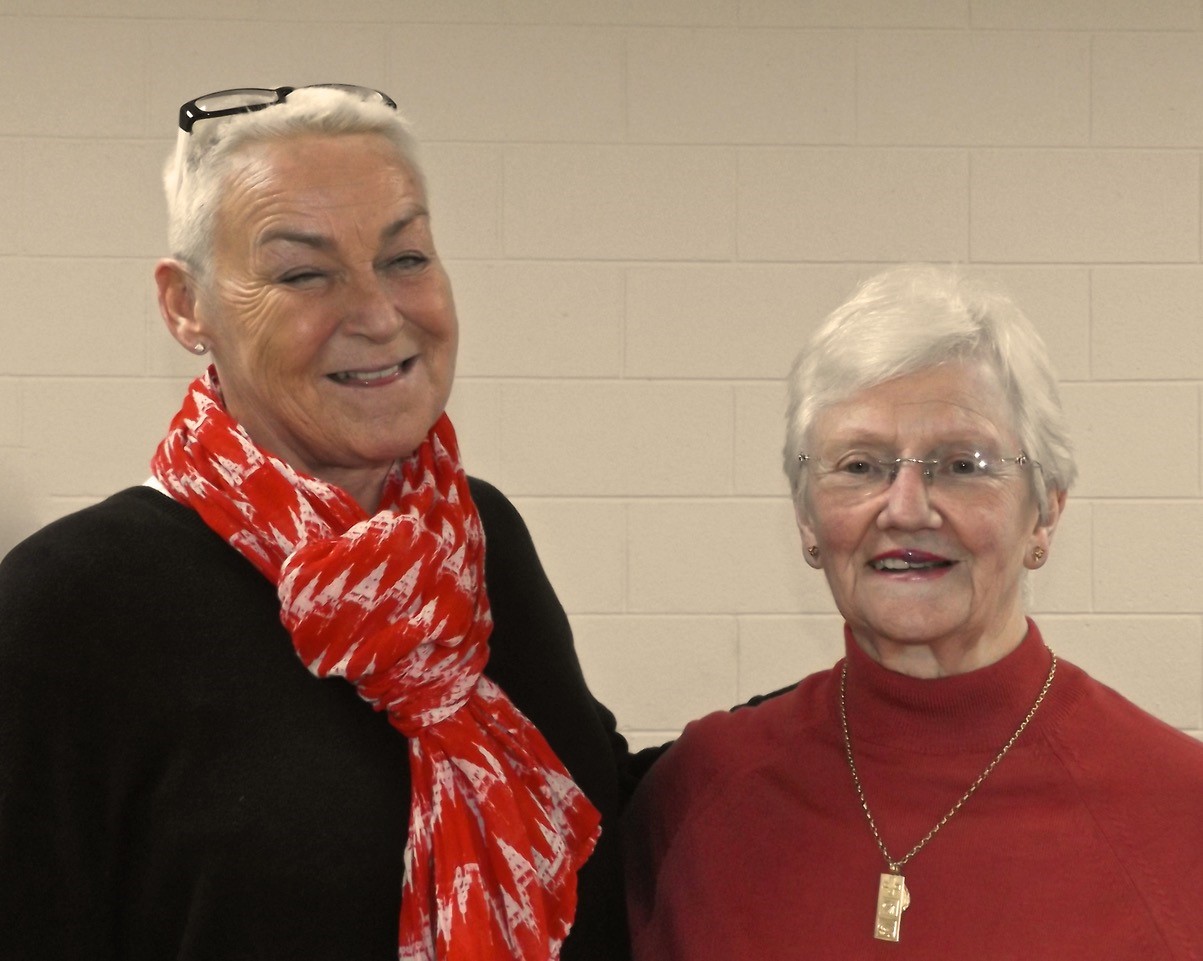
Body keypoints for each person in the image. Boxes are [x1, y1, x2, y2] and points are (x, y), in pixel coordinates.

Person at [0, 84, 632, 961]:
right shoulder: (69, 603)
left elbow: (601, 798)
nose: (377, 314)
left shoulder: (474, 538)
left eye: (405, 258)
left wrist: (852, 707)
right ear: (187, 306)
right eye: (304, 273)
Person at [624, 264, 1203, 959]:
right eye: (859, 466)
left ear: (1044, 512)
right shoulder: (697, 794)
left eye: (962, 464)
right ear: (807, 519)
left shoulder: (1179, 812)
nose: (904, 508)